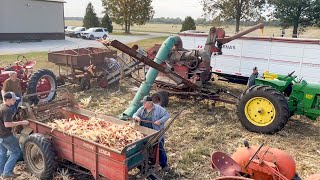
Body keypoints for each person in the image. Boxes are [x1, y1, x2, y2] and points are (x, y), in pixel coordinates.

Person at [133, 96, 170, 171]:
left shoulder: (158, 109)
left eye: (144, 102)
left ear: (150, 103)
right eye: (143, 102)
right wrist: (136, 117)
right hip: (144, 134)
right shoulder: (142, 109)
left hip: (156, 133)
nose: (143, 104)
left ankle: (164, 165)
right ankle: (148, 162)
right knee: (145, 148)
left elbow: (167, 115)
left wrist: (160, 121)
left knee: (160, 148)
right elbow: (134, 115)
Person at [0, 92, 29, 179]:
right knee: (16, 152)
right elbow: (7, 124)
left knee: (2, 153)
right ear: (8, 100)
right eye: (13, 99)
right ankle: (7, 172)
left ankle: (1, 171)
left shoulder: (1, 106)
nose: (15, 101)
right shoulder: (7, 110)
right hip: (5, 135)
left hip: (0, 135)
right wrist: (22, 122)